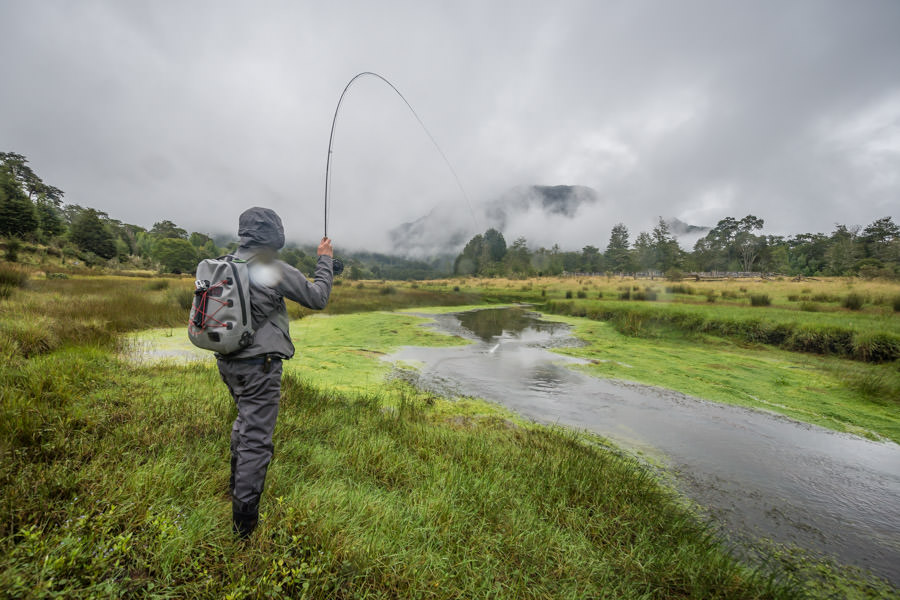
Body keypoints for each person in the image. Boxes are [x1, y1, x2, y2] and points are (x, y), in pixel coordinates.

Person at [217, 206, 333, 539]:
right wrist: (325, 260)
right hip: (259, 366)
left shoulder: (226, 263)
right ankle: (244, 531)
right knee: (256, 441)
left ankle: (234, 488)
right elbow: (318, 297)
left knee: (243, 422)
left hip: (227, 360)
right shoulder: (271, 268)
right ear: (274, 234)